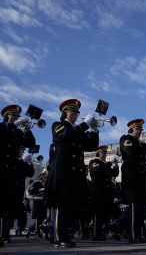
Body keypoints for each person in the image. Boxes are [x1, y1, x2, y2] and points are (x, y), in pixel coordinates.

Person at [44, 99, 99, 248]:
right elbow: (68, 135)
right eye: (72, 111)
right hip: (62, 171)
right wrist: (85, 124)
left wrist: (94, 130)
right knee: (60, 204)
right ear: (64, 113)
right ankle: (58, 237)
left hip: (74, 174)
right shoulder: (58, 125)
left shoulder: (78, 130)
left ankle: (62, 233)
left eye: (77, 112)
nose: (75, 114)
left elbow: (91, 146)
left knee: (70, 205)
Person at [0, 105, 36, 247]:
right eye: (13, 116)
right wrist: (15, 125)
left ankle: (4, 234)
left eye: (17, 116)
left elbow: (30, 143)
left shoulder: (16, 133)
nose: (16, 118)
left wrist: (27, 130)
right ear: (6, 116)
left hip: (11, 174)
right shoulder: (2, 127)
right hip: (1, 170)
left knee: (5, 206)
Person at [116, 120, 146, 244]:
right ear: (131, 129)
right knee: (135, 208)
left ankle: (117, 225)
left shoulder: (139, 143)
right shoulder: (125, 138)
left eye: (140, 129)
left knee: (140, 209)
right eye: (138, 129)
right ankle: (134, 236)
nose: (140, 132)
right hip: (132, 180)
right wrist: (145, 144)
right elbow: (131, 151)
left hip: (140, 180)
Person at [89, 145, 119, 241]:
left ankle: (101, 232)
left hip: (105, 193)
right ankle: (95, 234)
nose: (104, 155)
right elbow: (98, 170)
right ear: (98, 153)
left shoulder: (105, 164)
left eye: (105, 153)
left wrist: (116, 165)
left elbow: (114, 174)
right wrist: (109, 163)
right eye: (102, 153)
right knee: (97, 214)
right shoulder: (94, 162)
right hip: (97, 192)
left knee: (104, 214)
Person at [26, 170, 48, 238]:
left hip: (43, 203)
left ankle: (30, 228)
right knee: (38, 219)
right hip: (37, 204)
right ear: (41, 177)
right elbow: (31, 191)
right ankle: (37, 233)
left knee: (42, 218)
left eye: (46, 177)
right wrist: (39, 190)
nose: (45, 179)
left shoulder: (46, 184)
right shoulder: (36, 183)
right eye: (44, 177)